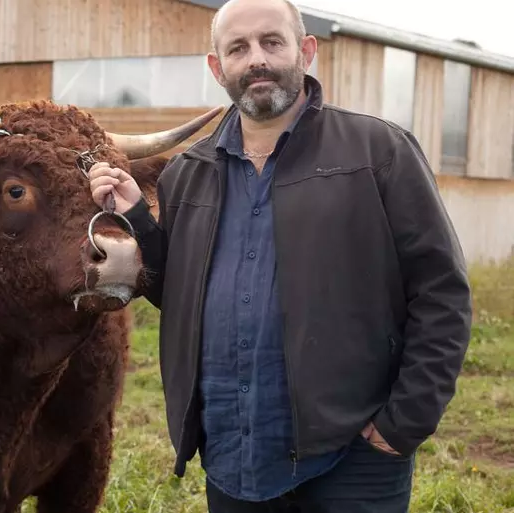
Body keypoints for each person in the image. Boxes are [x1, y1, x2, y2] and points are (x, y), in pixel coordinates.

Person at [88, 0, 473, 510]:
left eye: (272, 42)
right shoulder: (188, 172)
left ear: (305, 51)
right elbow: (179, 294)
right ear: (217, 66)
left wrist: (403, 424)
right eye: (238, 48)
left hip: (351, 460)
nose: (256, 60)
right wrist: (137, 215)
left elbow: (442, 292)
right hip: (232, 453)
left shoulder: (378, 152)